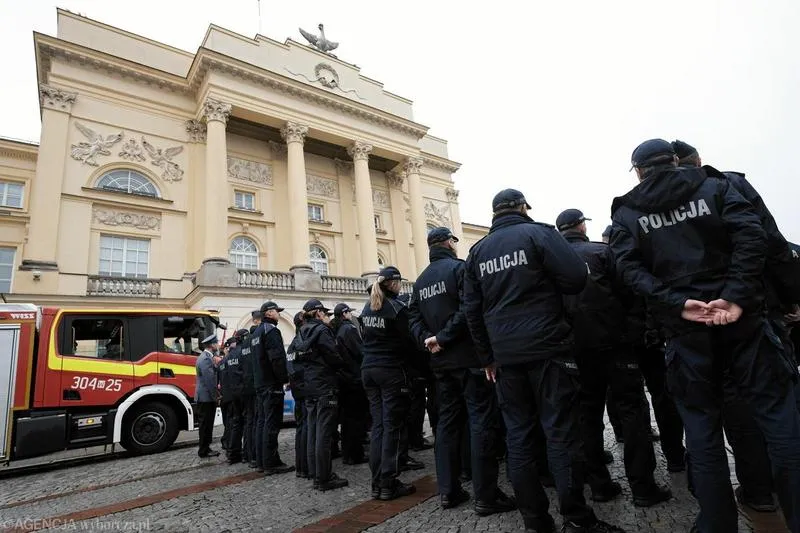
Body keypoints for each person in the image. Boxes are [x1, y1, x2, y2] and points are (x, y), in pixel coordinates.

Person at [610, 139, 800, 533]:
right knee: (780, 420)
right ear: (676, 162)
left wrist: (677, 302)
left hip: (685, 333)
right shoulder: (714, 186)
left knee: (701, 431)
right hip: (744, 323)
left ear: (639, 172)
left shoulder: (627, 213)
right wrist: (734, 296)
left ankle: (716, 523)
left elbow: (628, 271)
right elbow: (756, 237)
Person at [463, 188, 624, 533]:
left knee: (519, 439)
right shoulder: (539, 233)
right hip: (548, 349)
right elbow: (576, 277)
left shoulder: (477, 252)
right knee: (561, 434)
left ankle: (536, 522)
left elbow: (471, 311)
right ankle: (577, 519)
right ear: (523, 207)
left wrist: (487, 357)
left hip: (505, 358)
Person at [556, 208, 671, 507]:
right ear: (582, 227)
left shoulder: (551, 262)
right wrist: (631, 332)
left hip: (576, 351)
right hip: (616, 346)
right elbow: (631, 294)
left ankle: (599, 485)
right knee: (633, 411)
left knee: (586, 416)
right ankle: (643, 487)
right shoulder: (603, 252)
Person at [409, 226, 516, 516]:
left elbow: (414, 318)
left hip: (440, 364)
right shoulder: (459, 269)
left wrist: (428, 340)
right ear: (448, 243)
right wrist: (443, 338)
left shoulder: (420, 282)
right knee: (481, 422)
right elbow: (470, 310)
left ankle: (448, 491)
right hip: (468, 360)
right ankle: (486, 495)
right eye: (454, 240)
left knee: (446, 425)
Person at [360, 266, 418, 501]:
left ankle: (377, 484)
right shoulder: (396, 308)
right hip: (390, 371)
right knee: (392, 426)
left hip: (369, 370)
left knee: (379, 427)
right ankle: (388, 482)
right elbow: (409, 343)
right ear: (393, 283)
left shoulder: (367, 306)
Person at [297, 298, 349, 491]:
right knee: (324, 434)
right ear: (318, 313)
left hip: (309, 385)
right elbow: (333, 356)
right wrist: (342, 365)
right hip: (325, 385)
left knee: (313, 431)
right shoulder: (322, 331)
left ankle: (316, 473)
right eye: (325, 313)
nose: (327, 316)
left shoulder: (301, 331)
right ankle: (324, 477)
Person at [251, 301, 294, 475]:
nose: (279, 314)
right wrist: (284, 378)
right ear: (269, 313)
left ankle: (262, 461)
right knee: (271, 424)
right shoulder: (271, 331)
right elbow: (276, 358)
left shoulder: (256, 334)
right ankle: (271, 462)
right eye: (277, 311)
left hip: (260, 383)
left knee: (262, 423)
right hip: (271, 384)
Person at [331, 303, 369, 465]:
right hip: (354, 379)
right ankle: (355, 454)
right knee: (356, 419)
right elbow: (360, 352)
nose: (351, 315)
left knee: (347, 420)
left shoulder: (337, 330)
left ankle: (348, 453)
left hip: (344, 379)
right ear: (344, 314)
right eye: (349, 313)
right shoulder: (349, 329)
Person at [287, 312, 311, 479]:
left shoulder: (292, 345)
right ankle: (306, 466)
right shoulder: (302, 342)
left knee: (301, 428)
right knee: (307, 428)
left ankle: (301, 467)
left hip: (297, 389)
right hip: (305, 389)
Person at [219, 330, 248, 464]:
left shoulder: (229, 357)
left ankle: (233, 453)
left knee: (235, 424)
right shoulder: (244, 352)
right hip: (243, 393)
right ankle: (247, 453)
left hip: (232, 394)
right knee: (247, 423)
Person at [196, 334, 220, 458]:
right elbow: (209, 380)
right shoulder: (205, 358)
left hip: (205, 397)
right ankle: (204, 450)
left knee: (206, 424)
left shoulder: (207, 357)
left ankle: (205, 448)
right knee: (206, 425)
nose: (218, 344)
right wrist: (216, 396)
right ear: (212, 345)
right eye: (216, 343)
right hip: (206, 397)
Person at [241, 311, 260, 468]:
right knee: (255, 421)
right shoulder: (255, 341)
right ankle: (254, 455)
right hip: (254, 386)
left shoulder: (244, 345)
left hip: (245, 386)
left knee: (249, 422)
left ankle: (248, 454)